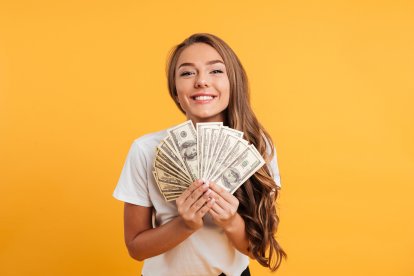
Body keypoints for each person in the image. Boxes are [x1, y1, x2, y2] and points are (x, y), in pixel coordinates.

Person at [113, 33, 286, 276]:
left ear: (233, 82)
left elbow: (258, 248)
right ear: (175, 91)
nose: (201, 81)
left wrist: (231, 221)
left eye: (215, 71)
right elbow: (136, 248)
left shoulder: (257, 147)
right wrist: (184, 224)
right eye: (187, 73)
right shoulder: (146, 149)